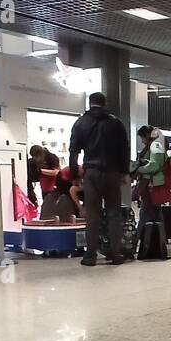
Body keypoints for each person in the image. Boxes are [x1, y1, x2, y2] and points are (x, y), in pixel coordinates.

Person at [68, 92, 130, 267]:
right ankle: (115, 253)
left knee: (93, 215)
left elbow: (74, 151)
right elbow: (124, 148)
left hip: (91, 172)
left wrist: (74, 176)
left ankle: (90, 256)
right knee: (113, 213)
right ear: (105, 103)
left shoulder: (81, 122)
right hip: (112, 172)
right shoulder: (115, 122)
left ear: (90, 103)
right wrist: (124, 172)